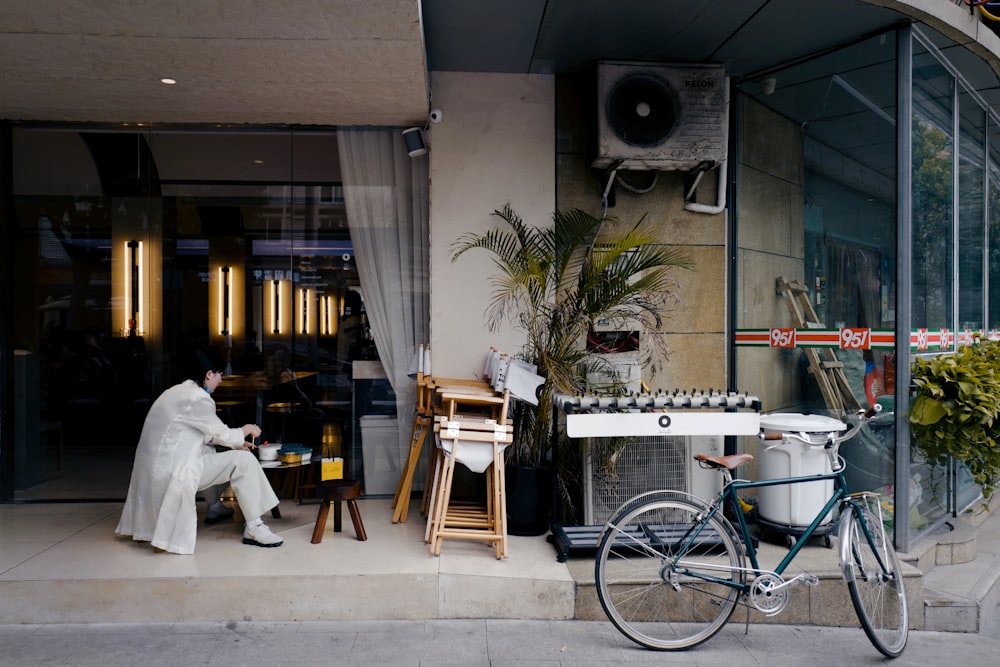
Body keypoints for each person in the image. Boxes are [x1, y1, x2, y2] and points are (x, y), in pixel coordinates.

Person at [115, 348, 283, 553]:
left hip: (155, 475)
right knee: (244, 460)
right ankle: (255, 527)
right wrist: (246, 430)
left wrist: (234, 443)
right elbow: (223, 434)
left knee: (210, 453)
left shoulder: (173, 392)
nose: (221, 380)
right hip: (173, 474)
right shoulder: (198, 398)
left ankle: (214, 507)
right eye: (220, 374)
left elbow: (186, 434)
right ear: (209, 374)